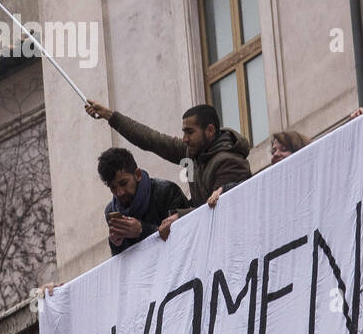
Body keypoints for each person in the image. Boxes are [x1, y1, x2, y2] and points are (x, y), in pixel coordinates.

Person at [84, 100, 250, 240]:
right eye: (184, 132)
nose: (185, 139)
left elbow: (220, 210)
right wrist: (110, 116)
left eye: (190, 132)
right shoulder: (192, 154)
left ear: (210, 131)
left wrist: (180, 217)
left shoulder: (229, 162)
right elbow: (151, 139)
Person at [97, 147, 189, 255]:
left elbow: (185, 237)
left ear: (138, 175)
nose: (119, 192)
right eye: (113, 188)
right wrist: (116, 244)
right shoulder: (111, 211)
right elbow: (123, 260)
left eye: (124, 183)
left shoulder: (167, 191)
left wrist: (142, 230)